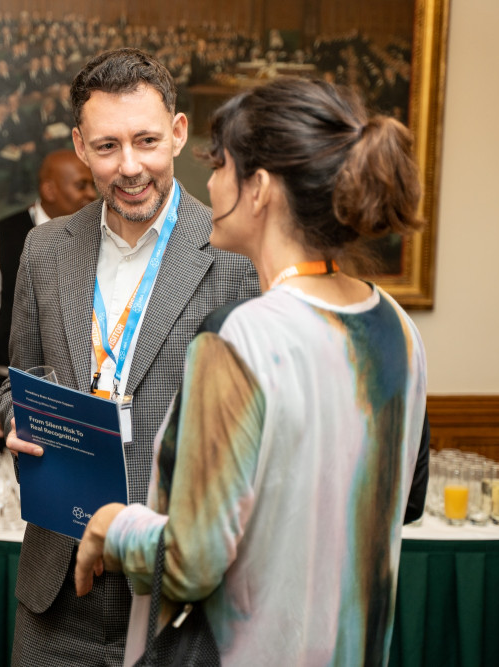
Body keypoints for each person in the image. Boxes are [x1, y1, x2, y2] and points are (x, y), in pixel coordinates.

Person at [75, 78, 429, 665]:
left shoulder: (241, 335)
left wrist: (111, 527)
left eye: (218, 166)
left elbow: (190, 562)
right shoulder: (397, 327)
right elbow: (406, 500)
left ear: (258, 187)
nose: (208, 184)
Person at [0, 48, 259, 666]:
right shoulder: (44, 248)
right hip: (56, 588)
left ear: (177, 133)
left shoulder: (234, 258)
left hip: (178, 594)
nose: (130, 167)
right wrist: (19, 422)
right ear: (80, 146)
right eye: (108, 146)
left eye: (146, 141)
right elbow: (17, 381)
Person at [0, 149, 97, 447]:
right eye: (81, 185)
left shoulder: (99, 235)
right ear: (49, 189)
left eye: (91, 185)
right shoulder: (1, 235)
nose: (91, 193)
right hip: (15, 402)